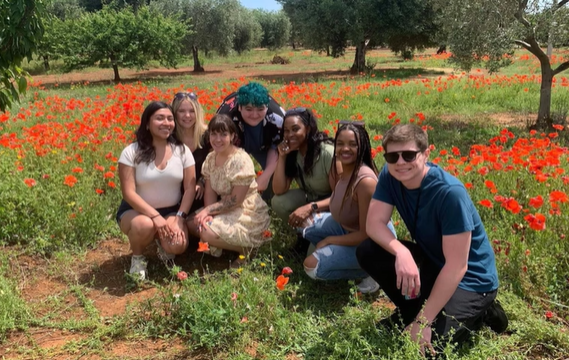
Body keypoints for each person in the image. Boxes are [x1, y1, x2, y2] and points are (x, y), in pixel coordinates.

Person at [359, 124, 508, 355]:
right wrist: (402, 252)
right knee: (369, 250)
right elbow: (374, 224)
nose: (400, 162)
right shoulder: (390, 175)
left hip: (472, 280)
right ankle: (415, 309)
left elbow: (458, 266)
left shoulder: (450, 194)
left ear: (426, 154)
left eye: (409, 155)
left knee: (430, 347)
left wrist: (423, 322)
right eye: (392, 156)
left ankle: (481, 312)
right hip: (436, 265)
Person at [300, 121, 393, 294]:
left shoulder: (365, 182)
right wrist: (311, 207)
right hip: (348, 228)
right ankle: (339, 254)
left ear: (362, 147)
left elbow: (366, 234)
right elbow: (339, 199)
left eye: (352, 144)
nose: (345, 149)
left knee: (311, 266)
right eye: (340, 143)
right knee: (304, 222)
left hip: (372, 244)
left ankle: (375, 271)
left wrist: (329, 240)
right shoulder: (344, 169)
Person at [116, 101, 196, 280]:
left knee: (178, 245)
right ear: (147, 123)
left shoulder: (182, 151)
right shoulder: (131, 152)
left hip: (171, 211)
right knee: (144, 225)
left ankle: (163, 243)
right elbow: (128, 193)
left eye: (169, 118)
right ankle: (137, 258)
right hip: (136, 212)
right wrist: (155, 217)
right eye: (159, 118)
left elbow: (190, 188)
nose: (166, 123)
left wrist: (179, 217)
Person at [192, 114, 271, 268]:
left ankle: (248, 249)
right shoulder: (210, 158)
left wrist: (208, 210)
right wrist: (208, 215)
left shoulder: (240, 160)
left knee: (206, 232)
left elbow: (236, 200)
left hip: (246, 210)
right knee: (192, 224)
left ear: (233, 136)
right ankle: (221, 243)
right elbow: (210, 191)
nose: (218, 139)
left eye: (223, 134)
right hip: (223, 206)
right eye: (214, 134)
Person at [216, 82, 284, 200]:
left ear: (267, 107)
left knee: (277, 171)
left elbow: (278, 147)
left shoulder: (278, 117)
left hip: (266, 144)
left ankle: (267, 201)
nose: (254, 114)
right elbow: (218, 146)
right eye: (249, 109)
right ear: (240, 107)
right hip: (233, 146)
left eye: (260, 109)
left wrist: (264, 177)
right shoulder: (225, 116)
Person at [171, 91, 211, 214]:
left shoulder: (208, 135)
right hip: (175, 194)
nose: (187, 115)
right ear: (174, 113)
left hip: (203, 193)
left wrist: (202, 181)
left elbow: (216, 163)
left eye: (192, 111)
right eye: (181, 111)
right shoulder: (169, 137)